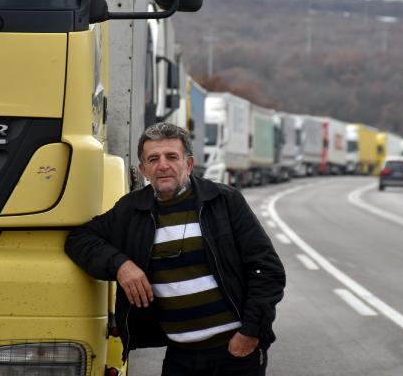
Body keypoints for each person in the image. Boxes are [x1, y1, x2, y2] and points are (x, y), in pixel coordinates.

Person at [65, 122, 286, 376]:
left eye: (172, 156)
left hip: (235, 353)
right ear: (143, 170)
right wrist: (121, 266)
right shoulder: (131, 210)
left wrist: (251, 332)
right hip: (180, 357)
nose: (163, 165)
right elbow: (79, 238)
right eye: (153, 159)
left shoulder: (223, 201)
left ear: (188, 164)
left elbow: (267, 270)